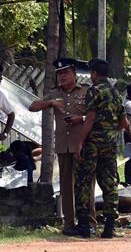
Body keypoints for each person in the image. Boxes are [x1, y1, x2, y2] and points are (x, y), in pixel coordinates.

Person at [29, 58, 95, 235]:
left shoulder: (86, 91)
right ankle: (69, 224)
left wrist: (79, 119)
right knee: (66, 187)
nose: (62, 76)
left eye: (65, 72)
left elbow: (93, 115)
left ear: (74, 73)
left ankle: (90, 222)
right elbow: (32, 106)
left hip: (81, 144)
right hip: (63, 146)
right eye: (59, 73)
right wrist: (50, 103)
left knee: (85, 185)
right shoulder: (54, 93)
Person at [74, 58, 125, 238]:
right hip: (110, 145)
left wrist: (80, 142)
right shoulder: (116, 94)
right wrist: (110, 132)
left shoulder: (94, 91)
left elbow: (89, 119)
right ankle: (109, 226)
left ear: (94, 74)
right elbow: (124, 123)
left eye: (91, 73)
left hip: (93, 145)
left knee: (84, 181)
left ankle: (84, 226)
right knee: (110, 182)